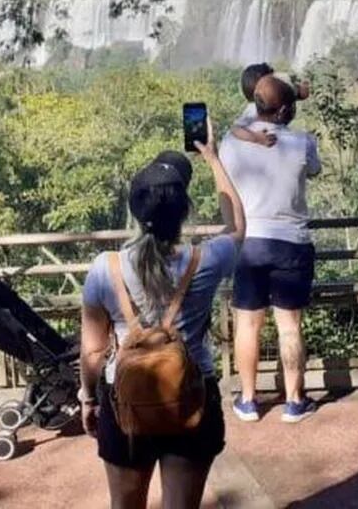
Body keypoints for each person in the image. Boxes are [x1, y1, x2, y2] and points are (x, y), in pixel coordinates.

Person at [78, 134, 246, 509]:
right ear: (184, 211)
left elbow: (92, 351)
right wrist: (213, 159)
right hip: (192, 396)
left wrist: (89, 399)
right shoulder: (208, 258)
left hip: (124, 400)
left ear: (134, 210)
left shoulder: (105, 268)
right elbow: (236, 225)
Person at [219, 73, 321, 424]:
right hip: (292, 242)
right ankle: (294, 401)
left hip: (249, 244)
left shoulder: (231, 143)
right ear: (287, 109)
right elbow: (315, 171)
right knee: (289, 326)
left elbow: (239, 123)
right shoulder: (303, 143)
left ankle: (248, 401)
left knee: (247, 325)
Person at [231, 62, 310, 148]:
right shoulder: (252, 111)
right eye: (272, 79)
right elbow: (235, 129)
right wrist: (256, 138)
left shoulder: (260, 105)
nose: (276, 81)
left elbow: (290, 94)